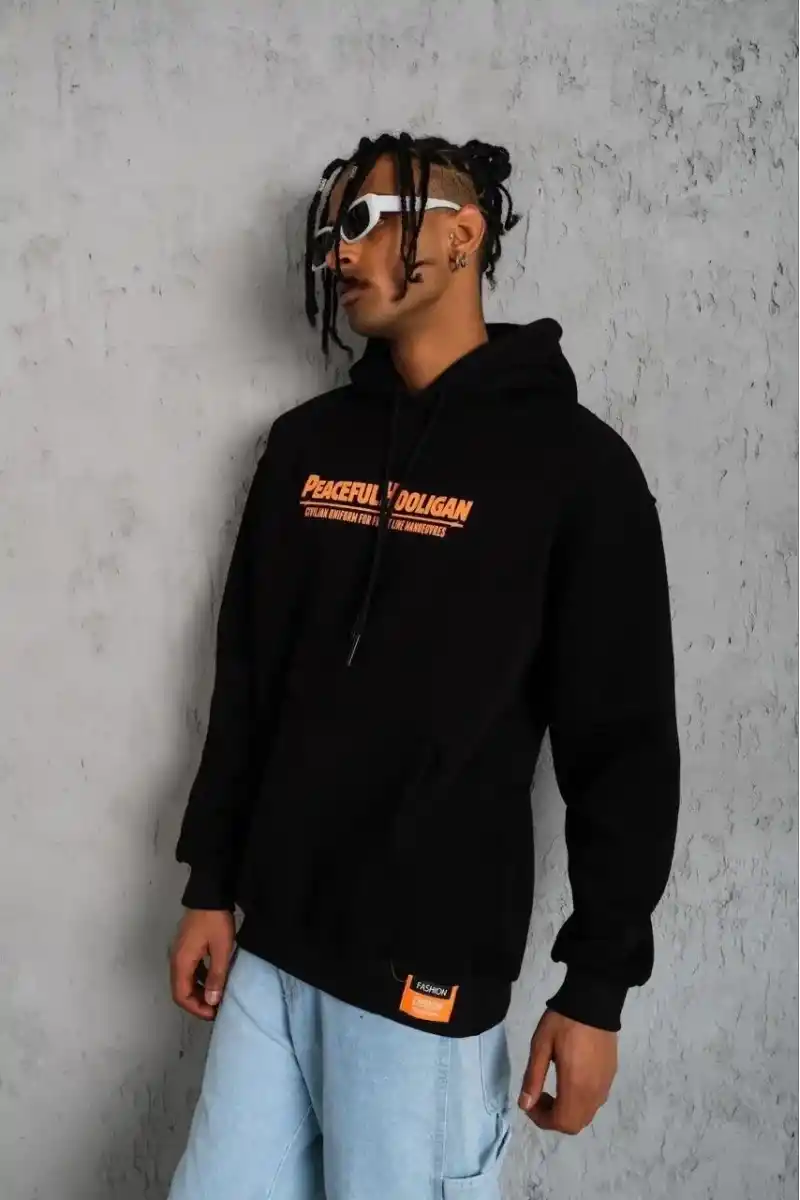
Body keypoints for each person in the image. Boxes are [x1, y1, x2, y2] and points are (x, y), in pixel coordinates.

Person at [166, 131, 681, 1200]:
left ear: (460, 235)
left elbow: (622, 745)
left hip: (424, 977)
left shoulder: (575, 470)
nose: (339, 254)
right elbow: (247, 678)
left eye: (363, 222)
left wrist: (595, 988)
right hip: (274, 952)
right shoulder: (305, 448)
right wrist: (211, 884)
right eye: (331, 234)